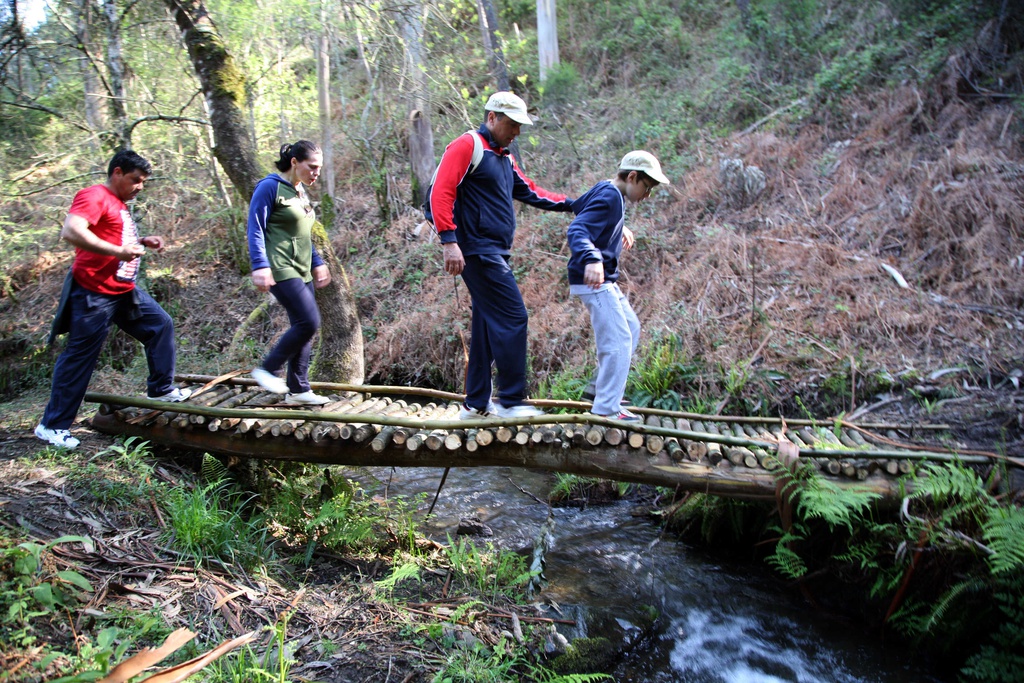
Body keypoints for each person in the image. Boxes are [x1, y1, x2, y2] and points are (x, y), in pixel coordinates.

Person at [426, 91, 575, 419]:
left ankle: (475, 403)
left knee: (485, 326)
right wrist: (449, 241)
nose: (517, 132)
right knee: (513, 317)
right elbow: (441, 191)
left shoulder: (503, 157)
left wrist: (573, 203)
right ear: (492, 117)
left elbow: (532, 192)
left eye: (521, 126)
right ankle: (511, 400)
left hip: (493, 250)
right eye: (512, 124)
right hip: (476, 249)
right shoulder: (467, 146)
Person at [35, 150, 192, 449]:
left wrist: (140, 242)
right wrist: (118, 252)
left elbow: (112, 237)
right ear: (117, 172)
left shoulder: (118, 204)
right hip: (93, 291)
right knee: (80, 356)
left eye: (144, 182)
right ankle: (52, 426)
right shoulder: (93, 195)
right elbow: (72, 230)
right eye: (135, 180)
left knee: (160, 325)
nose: (140, 187)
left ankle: (160, 390)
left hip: (122, 289)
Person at [566, 150, 670, 422]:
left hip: (604, 281)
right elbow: (577, 229)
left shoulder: (608, 190)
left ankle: (599, 389)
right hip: (594, 281)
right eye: (646, 188)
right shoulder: (611, 196)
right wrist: (591, 258)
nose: (647, 195)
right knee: (618, 339)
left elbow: (580, 206)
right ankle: (606, 409)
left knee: (631, 328)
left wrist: (617, 225)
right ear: (632, 176)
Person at [247, 140, 332, 406]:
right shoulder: (269, 187)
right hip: (279, 267)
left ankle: (298, 389)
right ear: (294, 162)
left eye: (319, 168)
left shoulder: (299, 192)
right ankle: (266, 369)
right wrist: (260, 265)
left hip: (302, 268)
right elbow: (255, 228)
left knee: (303, 327)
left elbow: (304, 233)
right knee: (309, 322)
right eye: (312, 167)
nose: (316, 173)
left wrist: (317, 261)